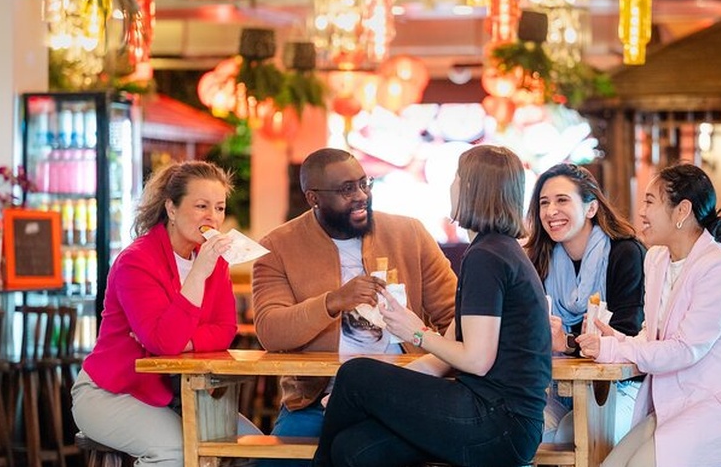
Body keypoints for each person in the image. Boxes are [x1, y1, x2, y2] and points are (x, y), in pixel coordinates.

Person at [311, 144, 551, 467]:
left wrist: (417, 332)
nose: (451, 185)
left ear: (470, 187)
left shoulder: (487, 256)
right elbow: (440, 360)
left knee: (354, 373)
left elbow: (477, 361)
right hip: (502, 421)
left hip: (499, 422)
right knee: (353, 448)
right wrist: (366, 395)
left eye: (456, 177)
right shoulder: (496, 250)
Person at [577, 162, 721, 467]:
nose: (641, 212)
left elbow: (685, 349)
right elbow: (655, 338)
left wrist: (614, 349)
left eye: (649, 202)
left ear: (682, 211)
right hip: (682, 403)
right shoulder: (656, 259)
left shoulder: (719, 266)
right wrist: (618, 339)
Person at [251, 148, 457, 466]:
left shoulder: (409, 234)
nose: (361, 195)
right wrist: (333, 301)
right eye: (347, 189)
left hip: (406, 392)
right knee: (275, 462)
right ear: (313, 198)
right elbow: (271, 330)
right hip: (316, 398)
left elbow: (455, 315)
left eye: (364, 183)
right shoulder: (277, 247)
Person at [71, 160, 264, 466]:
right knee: (176, 451)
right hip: (111, 392)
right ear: (171, 209)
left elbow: (225, 328)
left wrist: (182, 342)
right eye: (201, 206)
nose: (212, 217)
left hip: (177, 394)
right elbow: (164, 342)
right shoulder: (137, 261)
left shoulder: (215, 261)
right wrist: (198, 275)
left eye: (219, 208)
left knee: (255, 450)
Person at [523, 162, 645, 445]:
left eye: (562, 200)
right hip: (559, 386)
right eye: (544, 203)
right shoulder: (539, 259)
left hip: (621, 386)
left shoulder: (625, 253)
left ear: (591, 208)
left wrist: (566, 342)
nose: (550, 211)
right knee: (529, 431)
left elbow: (627, 331)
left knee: (573, 433)